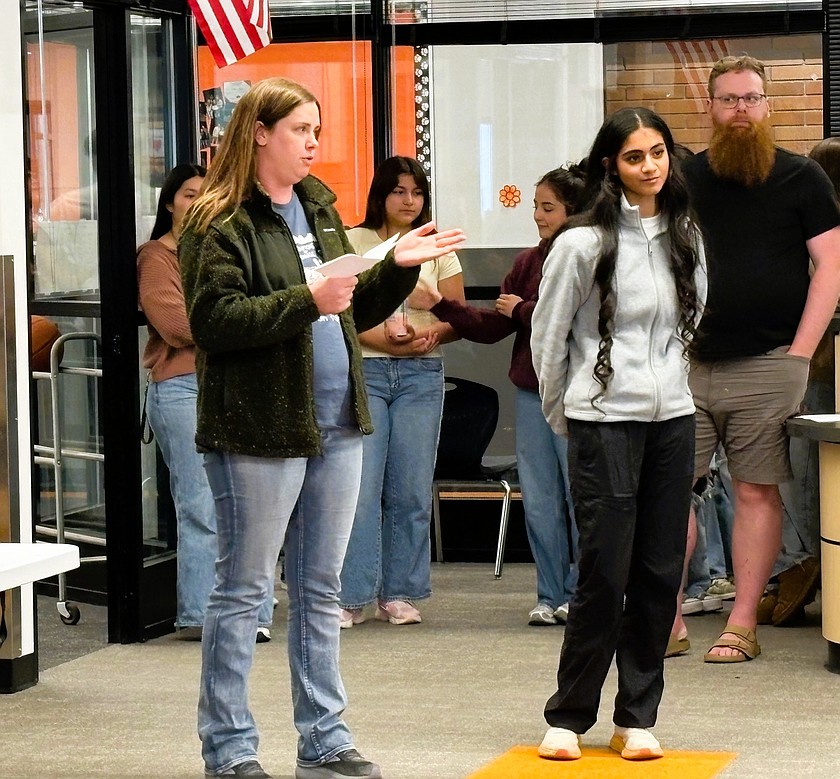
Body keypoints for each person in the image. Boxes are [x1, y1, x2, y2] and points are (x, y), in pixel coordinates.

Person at [178, 77, 465, 779]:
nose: (314, 143)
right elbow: (214, 322)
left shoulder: (319, 207)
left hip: (336, 423)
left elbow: (351, 305)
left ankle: (325, 738)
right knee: (244, 588)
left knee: (321, 588)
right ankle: (230, 747)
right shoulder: (220, 221)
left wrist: (393, 270)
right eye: (302, 129)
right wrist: (306, 298)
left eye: (317, 130)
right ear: (260, 133)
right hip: (258, 426)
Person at [531, 107, 706, 762]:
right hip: (602, 422)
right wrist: (567, 416)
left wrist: (675, 392)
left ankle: (636, 714)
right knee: (604, 570)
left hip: (672, 422)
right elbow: (547, 341)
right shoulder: (579, 244)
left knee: (662, 570)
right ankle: (569, 715)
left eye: (658, 153)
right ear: (612, 165)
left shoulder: (686, 233)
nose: (651, 166)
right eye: (635, 157)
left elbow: (691, 323)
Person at [681, 56, 840, 662]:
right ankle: (665, 621)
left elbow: (830, 265)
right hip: (685, 365)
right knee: (671, 493)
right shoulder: (683, 179)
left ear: (768, 105)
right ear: (711, 107)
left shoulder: (803, 179)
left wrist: (800, 355)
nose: (740, 110)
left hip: (770, 362)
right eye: (729, 100)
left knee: (754, 493)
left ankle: (741, 622)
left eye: (751, 98)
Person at [410, 164, 586, 627]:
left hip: (580, 396)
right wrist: (442, 306)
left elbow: (575, 325)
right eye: (535, 206)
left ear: (576, 212)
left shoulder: (590, 257)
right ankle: (550, 595)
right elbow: (493, 327)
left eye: (548, 208)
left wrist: (525, 310)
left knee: (580, 498)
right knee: (543, 499)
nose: (537, 216)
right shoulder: (528, 262)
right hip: (532, 394)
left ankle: (584, 593)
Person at [138, 163, 277, 644]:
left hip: (235, 386)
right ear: (169, 202)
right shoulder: (157, 257)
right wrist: (237, 323)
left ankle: (253, 614)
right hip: (181, 389)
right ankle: (201, 615)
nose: (197, 203)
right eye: (188, 194)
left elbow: (266, 305)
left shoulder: (229, 249)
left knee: (249, 506)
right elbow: (176, 326)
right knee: (200, 506)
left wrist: (240, 320)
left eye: (207, 194)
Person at [337, 156, 464, 629]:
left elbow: (456, 315)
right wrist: (376, 340)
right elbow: (342, 313)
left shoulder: (438, 247)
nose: (409, 201)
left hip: (421, 376)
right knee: (361, 489)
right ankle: (352, 595)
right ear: (381, 196)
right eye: (399, 192)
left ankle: (400, 592)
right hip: (368, 371)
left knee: (410, 489)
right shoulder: (355, 241)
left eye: (417, 193)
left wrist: (434, 336)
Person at [757, 136, 840, 626]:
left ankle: (801, 560)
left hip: (812, 365)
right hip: (812, 363)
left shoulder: (816, 234)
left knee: (800, 471)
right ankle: (802, 562)